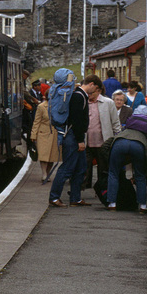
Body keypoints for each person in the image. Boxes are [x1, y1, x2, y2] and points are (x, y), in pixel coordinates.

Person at [49, 68, 98, 207]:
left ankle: (75, 198)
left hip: (72, 136)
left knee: (81, 167)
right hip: (72, 137)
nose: (94, 91)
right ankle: (54, 197)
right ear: (92, 84)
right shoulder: (79, 96)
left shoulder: (77, 95)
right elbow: (77, 121)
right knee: (67, 168)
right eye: (95, 88)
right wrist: (80, 140)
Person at [105, 111, 147, 213]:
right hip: (139, 146)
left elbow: (106, 144)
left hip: (119, 143)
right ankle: (143, 206)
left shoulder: (123, 131)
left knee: (113, 173)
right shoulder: (145, 136)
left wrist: (107, 159)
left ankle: (112, 204)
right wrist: (146, 168)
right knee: (140, 176)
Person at [83, 75, 120, 189]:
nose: (89, 96)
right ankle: (82, 188)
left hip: (103, 142)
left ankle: (102, 189)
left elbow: (115, 122)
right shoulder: (84, 102)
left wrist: (117, 137)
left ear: (98, 90)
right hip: (87, 142)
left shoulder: (108, 102)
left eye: (92, 93)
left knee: (103, 168)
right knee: (85, 167)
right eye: (88, 94)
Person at [30, 92, 59, 183]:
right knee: (43, 155)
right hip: (43, 133)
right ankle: (44, 174)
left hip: (55, 133)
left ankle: (48, 172)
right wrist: (33, 134)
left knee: (52, 156)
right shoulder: (41, 106)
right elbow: (36, 121)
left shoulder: (59, 106)